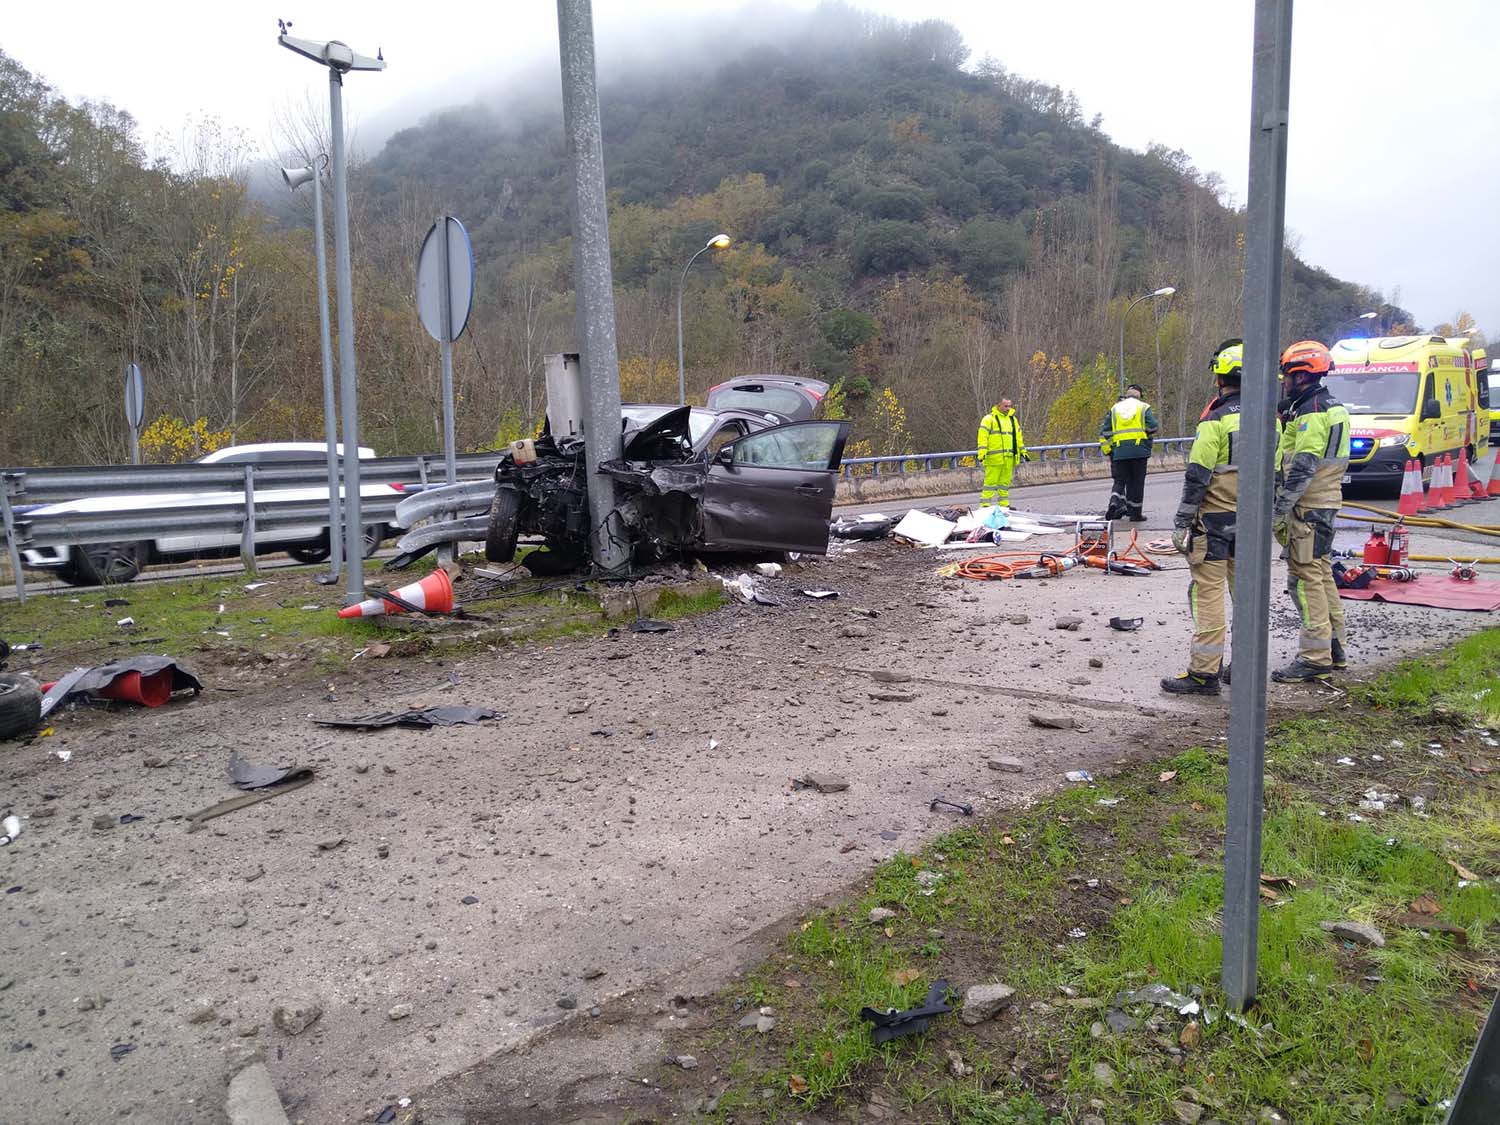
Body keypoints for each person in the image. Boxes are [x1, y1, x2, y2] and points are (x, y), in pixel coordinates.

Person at [1161, 341, 1242, 696]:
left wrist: (1182, 520)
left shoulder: (1216, 417)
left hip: (1215, 522)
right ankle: (1245, 666)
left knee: (1208, 594)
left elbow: (1198, 473)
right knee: (1247, 595)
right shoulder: (1270, 416)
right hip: (1251, 521)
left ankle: (1204, 673)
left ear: (1219, 377)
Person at [1271, 340, 1351, 682]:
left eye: (1287, 375)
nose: (1283, 382)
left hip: (1309, 506)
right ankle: (1334, 647)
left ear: (1301, 375)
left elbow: (1303, 466)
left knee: (1304, 578)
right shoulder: (1331, 406)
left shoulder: (1312, 412)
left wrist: (1279, 510)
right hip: (1326, 501)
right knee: (1320, 574)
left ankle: (1315, 655)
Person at [1100, 382, 1159, 521]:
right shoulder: (1144, 407)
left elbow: (1106, 430)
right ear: (1140, 395)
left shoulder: (1115, 408)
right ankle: (1135, 514)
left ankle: (1114, 502)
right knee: (1137, 482)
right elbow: (1153, 427)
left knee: (1120, 480)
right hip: (1139, 451)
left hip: (1120, 451)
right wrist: (1145, 435)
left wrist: (1112, 446)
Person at [977, 396, 1029, 507]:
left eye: (1009, 406)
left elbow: (1018, 437)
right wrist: (982, 453)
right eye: (1005, 406)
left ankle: (1004, 505)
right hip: (994, 458)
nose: (1008, 408)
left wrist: (1023, 451)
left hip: (1008, 457)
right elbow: (982, 437)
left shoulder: (1012, 420)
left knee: (1004, 484)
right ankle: (985, 507)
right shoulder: (989, 419)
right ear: (998, 405)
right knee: (990, 483)